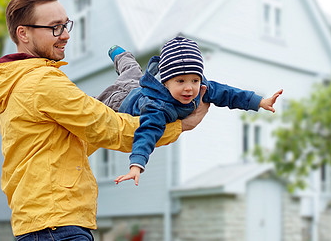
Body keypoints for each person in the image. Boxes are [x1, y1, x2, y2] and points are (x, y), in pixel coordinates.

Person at [0, 0, 209, 241]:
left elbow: (74, 141)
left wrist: (113, 106)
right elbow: (109, 128)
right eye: (55, 27)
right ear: (23, 33)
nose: (66, 35)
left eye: (66, 25)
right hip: (57, 225)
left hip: (43, 222)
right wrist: (179, 126)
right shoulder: (41, 83)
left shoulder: (15, 82)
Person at [97, 37, 283, 185]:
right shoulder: (158, 107)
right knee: (122, 80)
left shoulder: (201, 88)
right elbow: (147, 133)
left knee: (133, 72)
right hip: (121, 100)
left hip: (140, 87)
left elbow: (228, 93)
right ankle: (119, 54)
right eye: (180, 81)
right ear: (165, 81)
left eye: (194, 80)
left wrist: (260, 102)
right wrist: (136, 165)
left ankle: (121, 55)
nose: (189, 88)